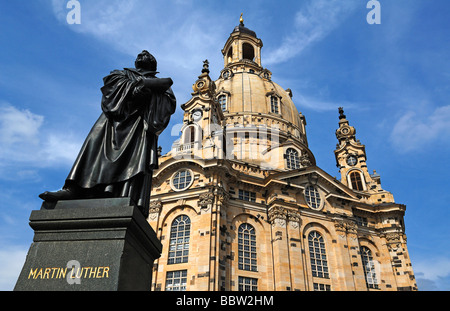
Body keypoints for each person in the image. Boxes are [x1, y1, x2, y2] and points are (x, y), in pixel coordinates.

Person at [39, 50, 176, 217]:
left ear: (153, 66)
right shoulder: (121, 74)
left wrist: (147, 88)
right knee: (92, 148)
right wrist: (146, 85)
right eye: (140, 54)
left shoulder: (161, 86)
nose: (143, 53)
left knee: (132, 161)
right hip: (112, 122)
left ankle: (120, 194)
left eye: (147, 55)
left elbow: (165, 105)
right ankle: (73, 189)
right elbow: (113, 91)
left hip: (138, 125)